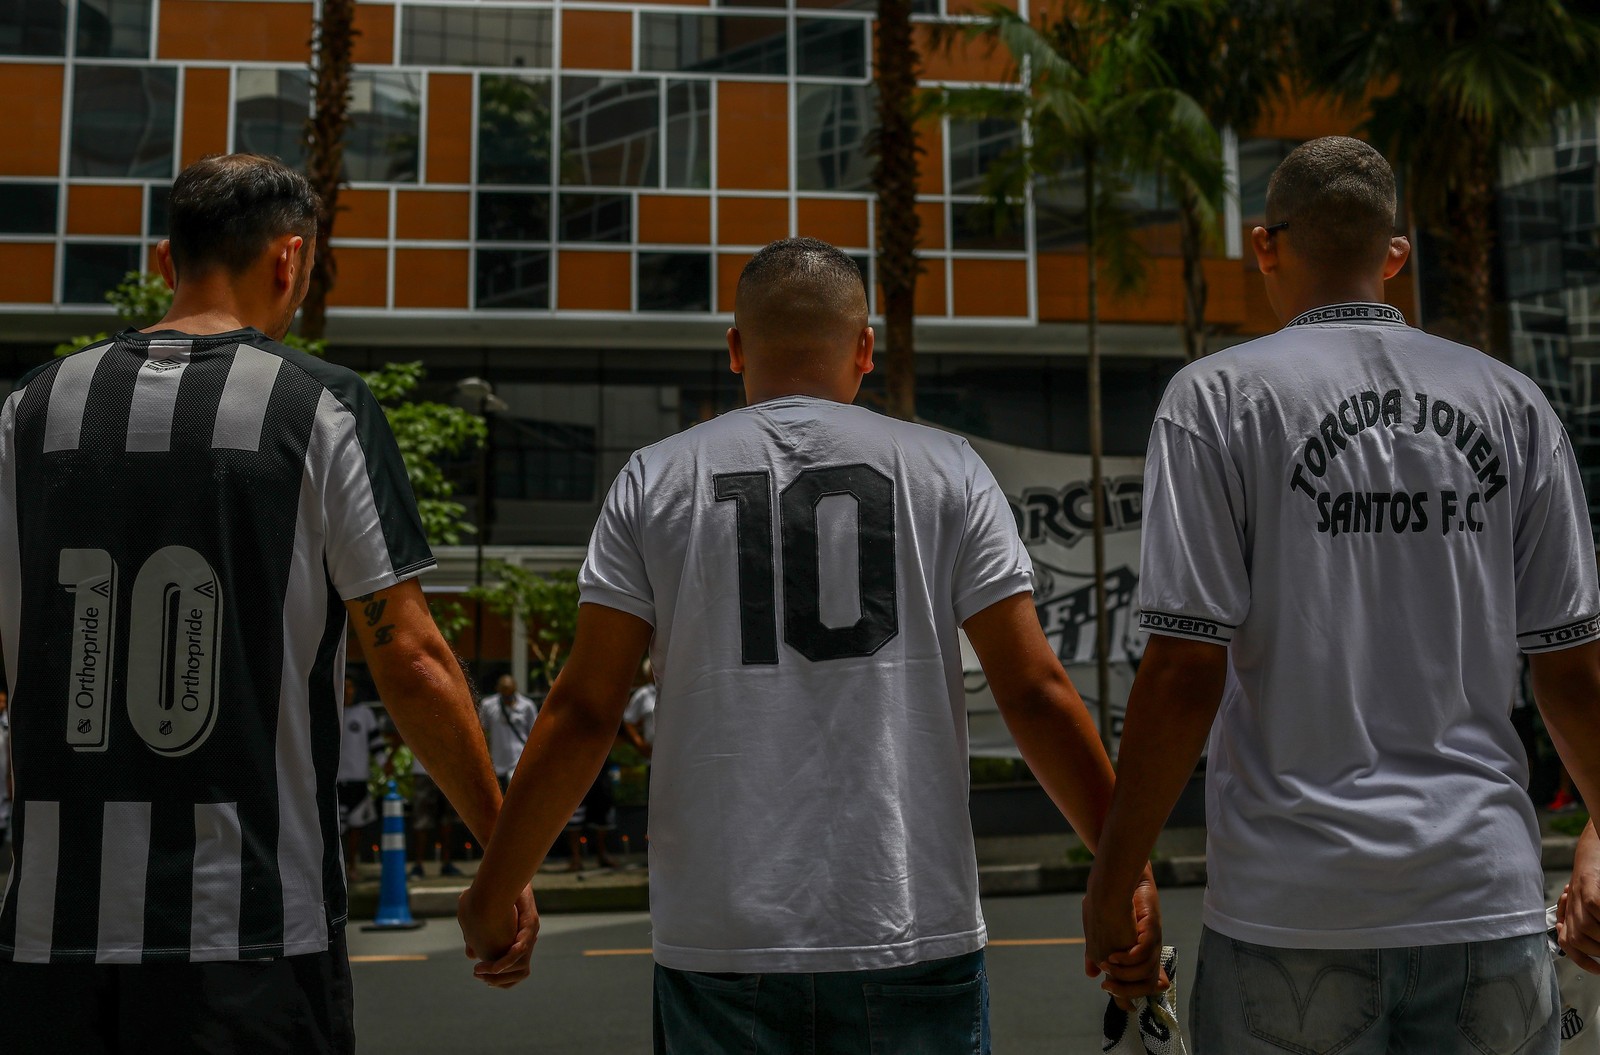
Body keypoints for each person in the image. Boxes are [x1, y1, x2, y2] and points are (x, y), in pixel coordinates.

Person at [459, 237, 1164, 1052]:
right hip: (909, 925)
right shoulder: (949, 469)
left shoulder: (652, 479)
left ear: (734, 348)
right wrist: (1125, 869)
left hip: (721, 940)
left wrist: (496, 886)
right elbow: (1035, 689)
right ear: (865, 348)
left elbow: (585, 708)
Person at [0, 153, 534, 1055]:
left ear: (166, 262)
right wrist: (500, 858)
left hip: (49, 933)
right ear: (290, 260)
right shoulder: (320, 407)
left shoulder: (25, 413)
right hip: (248, 932)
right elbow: (407, 656)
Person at [1083, 137, 1600, 1053]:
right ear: (1394, 255)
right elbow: (1570, 673)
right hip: (1482, 896)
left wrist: (1118, 873)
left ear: (1264, 246)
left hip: (1292, 910)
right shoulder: (1515, 405)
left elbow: (1183, 671)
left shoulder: (1217, 401)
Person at [336, 676, 383, 883]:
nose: (347, 691)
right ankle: (338, 868)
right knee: (336, 828)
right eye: (343, 687)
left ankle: (353, 866)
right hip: (335, 782)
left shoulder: (364, 713)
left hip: (358, 779)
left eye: (350, 687)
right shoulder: (329, 710)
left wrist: (386, 767)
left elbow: (377, 745)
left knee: (356, 827)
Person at [478, 673, 537, 791]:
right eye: (504, 690)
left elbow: (534, 733)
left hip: (519, 759)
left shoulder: (527, 705)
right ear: (498, 689)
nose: (507, 695)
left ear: (515, 688)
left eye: (509, 691)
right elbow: (481, 731)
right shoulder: (488, 705)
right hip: (497, 760)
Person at [410, 751, 463, 878]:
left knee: (446, 820)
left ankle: (446, 863)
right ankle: (418, 864)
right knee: (421, 821)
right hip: (422, 769)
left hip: (447, 770)